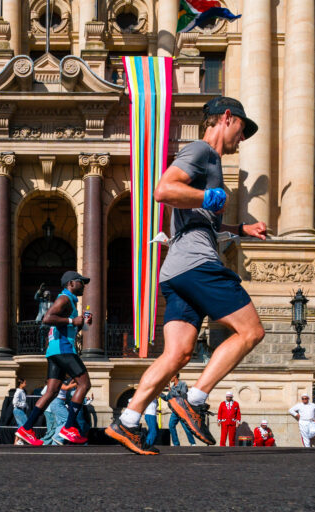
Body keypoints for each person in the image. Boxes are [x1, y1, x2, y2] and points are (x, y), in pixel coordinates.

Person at [104, 96, 266, 455]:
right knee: (252, 331)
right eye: (242, 129)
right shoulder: (201, 151)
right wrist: (208, 196)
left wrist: (240, 228)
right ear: (227, 118)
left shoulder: (210, 162)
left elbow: (202, 220)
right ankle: (193, 399)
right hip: (197, 263)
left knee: (177, 354)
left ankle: (128, 420)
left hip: (175, 268)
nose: (242, 138)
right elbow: (164, 190)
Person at [14, 271, 94, 446]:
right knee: (84, 384)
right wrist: (73, 321)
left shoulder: (69, 301)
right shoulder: (64, 298)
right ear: (71, 283)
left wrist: (80, 323)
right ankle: (69, 427)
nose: (83, 285)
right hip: (63, 349)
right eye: (81, 282)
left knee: (51, 392)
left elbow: (65, 326)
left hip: (54, 351)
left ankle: (26, 428)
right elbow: (47, 318)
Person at [161, 374, 196, 447]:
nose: (170, 378)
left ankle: (192, 443)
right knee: (171, 425)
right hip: (175, 410)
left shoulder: (182, 384)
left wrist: (171, 390)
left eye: (171, 376)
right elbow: (167, 398)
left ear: (175, 376)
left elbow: (183, 394)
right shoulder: (172, 387)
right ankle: (176, 443)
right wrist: (159, 393)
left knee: (186, 427)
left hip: (182, 410)